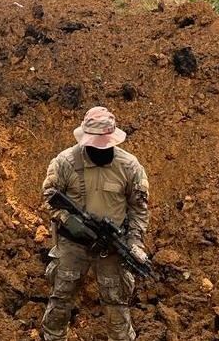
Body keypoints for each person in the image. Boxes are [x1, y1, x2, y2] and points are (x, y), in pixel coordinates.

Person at [41, 106, 150, 341]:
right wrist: (68, 221)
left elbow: (139, 209)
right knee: (61, 296)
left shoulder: (129, 167)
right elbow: (49, 198)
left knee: (117, 302)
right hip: (73, 245)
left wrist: (134, 243)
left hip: (110, 246)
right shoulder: (65, 162)